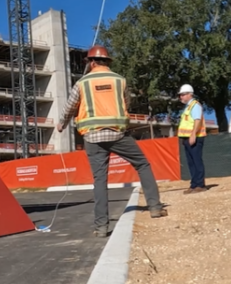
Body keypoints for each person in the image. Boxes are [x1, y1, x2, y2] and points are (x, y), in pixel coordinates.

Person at [56, 46, 167, 237]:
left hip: (92, 137)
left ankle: (101, 227)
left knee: (100, 179)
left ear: (91, 62)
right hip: (118, 135)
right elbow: (126, 102)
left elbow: (69, 107)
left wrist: (61, 124)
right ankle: (155, 207)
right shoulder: (120, 80)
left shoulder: (82, 83)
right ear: (107, 62)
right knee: (142, 164)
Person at [178, 84, 207, 194]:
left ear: (190, 94)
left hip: (195, 137)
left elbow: (197, 120)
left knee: (196, 161)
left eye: (183, 95)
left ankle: (200, 184)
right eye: (180, 95)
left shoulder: (195, 105)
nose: (181, 97)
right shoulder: (187, 107)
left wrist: (193, 134)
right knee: (191, 162)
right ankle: (194, 184)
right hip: (187, 138)